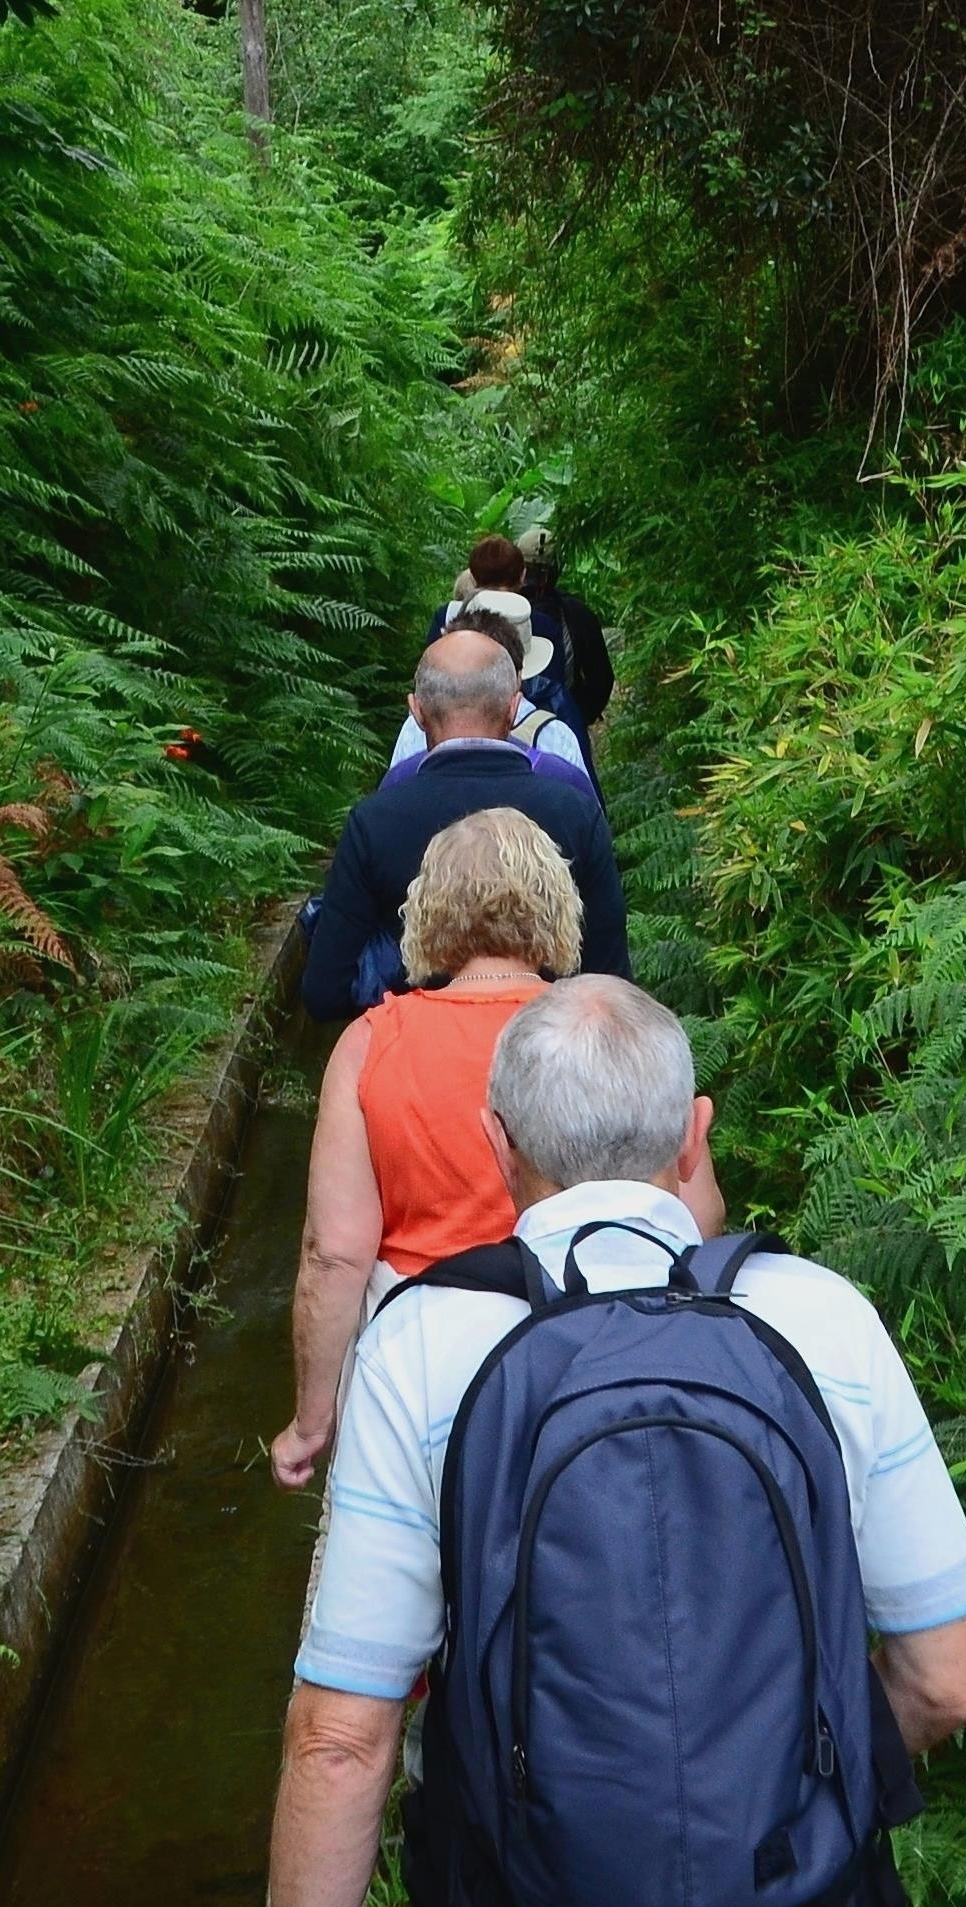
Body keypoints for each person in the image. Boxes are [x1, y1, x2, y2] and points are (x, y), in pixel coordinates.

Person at [251, 977, 966, 1907]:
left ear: (497, 1146)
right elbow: (947, 1679)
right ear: (692, 1132)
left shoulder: (423, 1343)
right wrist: (793, 1788)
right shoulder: (817, 1318)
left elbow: (340, 1734)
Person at [271, 811, 581, 1493]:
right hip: (576, 1353)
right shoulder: (603, 1029)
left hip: (416, 1366)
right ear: (556, 904)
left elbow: (334, 1253)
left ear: (428, 913)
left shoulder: (370, 1042)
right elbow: (688, 1213)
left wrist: (310, 1422)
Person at [300, 633, 627, 1023]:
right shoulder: (574, 812)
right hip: (547, 1052)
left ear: (417, 711)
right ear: (514, 706)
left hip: (419, 1054)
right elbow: (611, 982)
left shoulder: (374, 821)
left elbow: (326, 990)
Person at [399, 596, 591, 776]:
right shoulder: (556, 736)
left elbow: (396, 788)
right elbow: (585, 805)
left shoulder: (415, 729)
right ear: (518, 676)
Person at [520, 527, 613, 732]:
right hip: (563, 723)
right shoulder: (579, 614)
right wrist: (578, 716)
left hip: (507, 726)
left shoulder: (495, 610)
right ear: (557, 570)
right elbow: (601, 680)